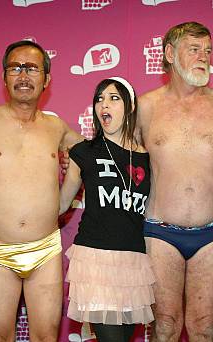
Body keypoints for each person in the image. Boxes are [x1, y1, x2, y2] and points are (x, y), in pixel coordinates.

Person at [0, 40, 83, 341]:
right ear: (4, 77)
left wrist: (64, 199)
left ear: (47, 79)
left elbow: (91, 153)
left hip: (45, 249)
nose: (23, 75)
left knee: (46, 336)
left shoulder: (56, 127)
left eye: (32, 68)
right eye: (15, 68)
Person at [137, 22, 213, 341]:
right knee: (165, 324)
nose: (203, 56)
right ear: (169, 54)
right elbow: (124, 167)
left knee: (204, 325)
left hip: (210, 233)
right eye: (194, 49)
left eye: (207, 50)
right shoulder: (146, 106)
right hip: (159, 230)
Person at [59, 77, 154, 342]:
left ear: (130, 107)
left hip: (134, 262)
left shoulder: (147, 157)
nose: (104, 105)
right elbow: (61, 204)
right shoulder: (84, 152)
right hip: (96, 260)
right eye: (99, 99)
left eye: (114, 98)